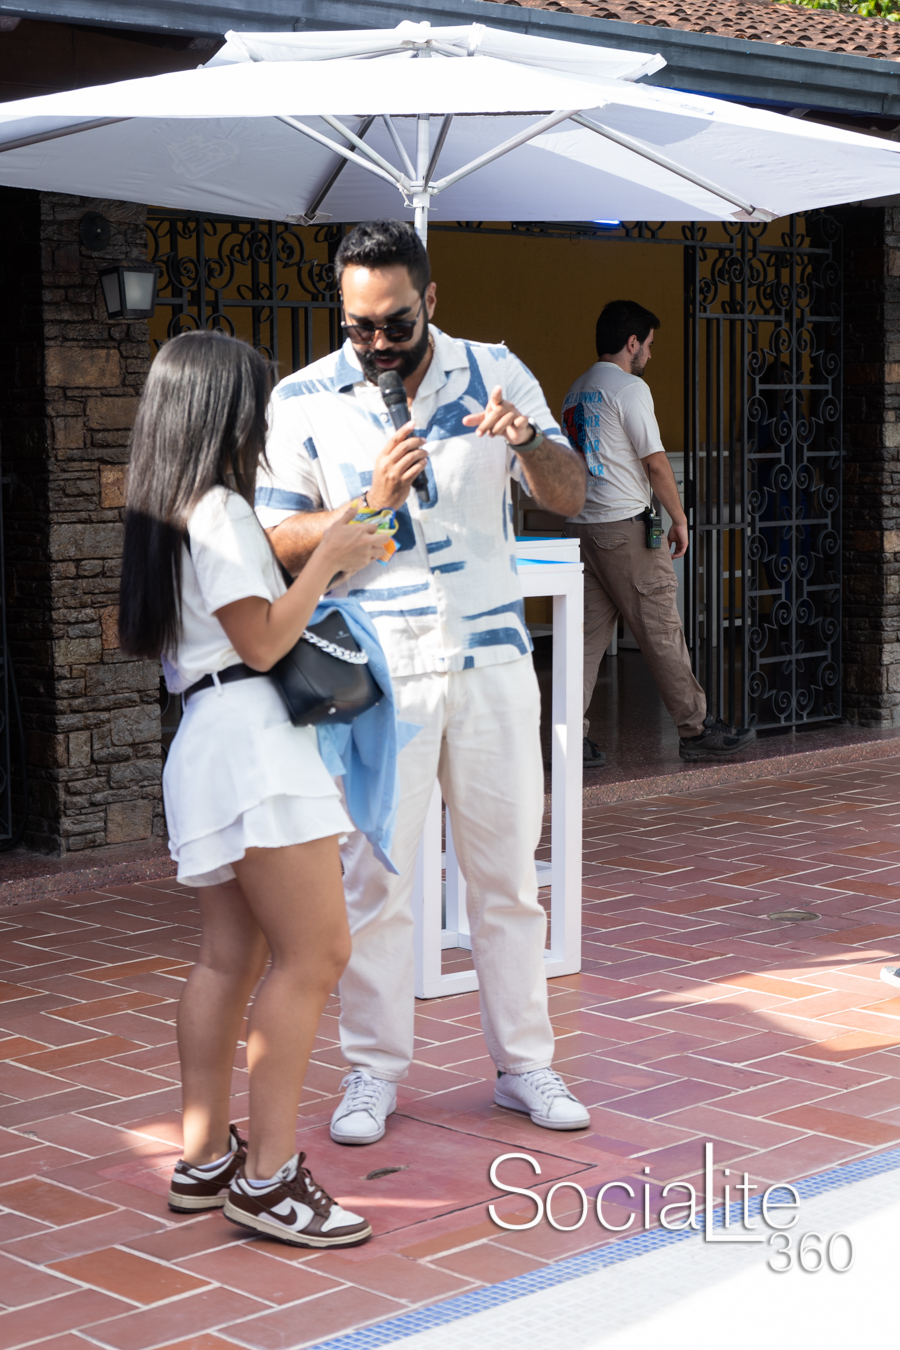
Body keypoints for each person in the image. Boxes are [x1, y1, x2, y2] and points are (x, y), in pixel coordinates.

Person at [256, 219, 592, 1145]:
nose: (377, 344)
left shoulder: (496, 370)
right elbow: (277, 540)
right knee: (376, 880)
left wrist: (528, 442)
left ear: (430, 299)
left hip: (491, 660)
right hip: (379, 673)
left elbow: (572, 493)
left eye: (395, 324)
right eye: (359, 325)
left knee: (506, 875)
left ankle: (525, 1064)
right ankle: (373, 1070)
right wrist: (369, 502)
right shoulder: (304, 398)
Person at [118, 330, 389, 1247]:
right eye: (254, 403)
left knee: (228, 958)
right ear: (221, 411)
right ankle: (271, 1178)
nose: (261, 422)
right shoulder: (220, 510)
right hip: (253, 747)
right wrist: (328, 559)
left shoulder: (163, 512)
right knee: (316, 953)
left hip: (207, 739)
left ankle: (205, 1159)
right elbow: (266, 643)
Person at [562, 300, 755, 766]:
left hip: (583, 528)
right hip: (623, 529)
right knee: (662, 630)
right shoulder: (629, 388)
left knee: (581, 641)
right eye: (648, 344)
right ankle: (696, 729)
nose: (650, 353)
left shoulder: (576, 390)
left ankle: (565, 738)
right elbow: (655, 461)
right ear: (632, 343)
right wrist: (679, 519)